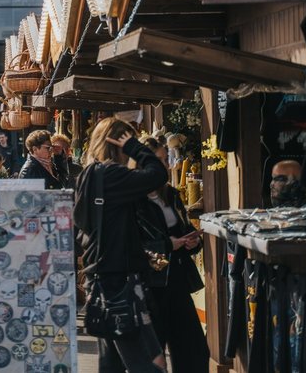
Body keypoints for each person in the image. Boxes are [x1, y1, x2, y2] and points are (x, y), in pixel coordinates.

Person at [74, 117, 168, 373]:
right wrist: (135, 147)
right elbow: (158, 174)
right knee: (149, 361)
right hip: (119, 277)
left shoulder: (88, 175)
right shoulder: (113, 175)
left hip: (101, 273)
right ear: (118, 143)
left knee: (112, 360)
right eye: (127, 140)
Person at [140, 138, 210, 372]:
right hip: (151, 284)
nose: (167, 165)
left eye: (165, 159)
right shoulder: (133, 199)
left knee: (195, 350)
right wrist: (167, 245)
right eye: (159, 160)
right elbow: (131, 242)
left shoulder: (169, 193)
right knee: (154, 354)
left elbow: (182, 227)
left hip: (177, 279)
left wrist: (193, 240)